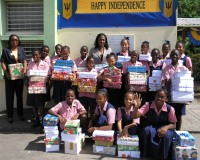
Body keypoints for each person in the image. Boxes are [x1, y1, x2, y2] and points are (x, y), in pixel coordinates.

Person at [132, 90, 177, 160]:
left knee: (167, 135)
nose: (159, 98)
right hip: (151, 125)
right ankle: (147, 154)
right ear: (154, 96)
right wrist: (136, 107)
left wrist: (166, 127)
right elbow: (135, 116)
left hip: (165, 126)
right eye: (157, 96)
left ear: (166, 99)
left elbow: (173, 124)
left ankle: (164, 156)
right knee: (146, 131)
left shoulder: (170, 109)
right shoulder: (148, 105)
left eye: (162, 97)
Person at [1, 34, 27, 123]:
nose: (14, 41)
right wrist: (6, 72)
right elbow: (3, 62)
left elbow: (24, 61)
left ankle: (20, 114)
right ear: (9, 41)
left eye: (16, 39)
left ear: (18, 41)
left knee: (19, 96)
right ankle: (10, 116)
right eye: (12, 40)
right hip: (9, 78)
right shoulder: (5, 50)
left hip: (19, 77)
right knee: (9, 96)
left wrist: (24, 70)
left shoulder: (21, 49)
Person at [162, 49, 188, 131]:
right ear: (170, 56)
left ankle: (178, 132)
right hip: (170, 96)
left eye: (176, 55)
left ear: (179, 56)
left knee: (179, 116)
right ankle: (169, 133)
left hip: (180, 97)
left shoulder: (183, 69)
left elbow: (186, 81)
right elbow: (166, 82)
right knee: (169, 115)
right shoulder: (166, 68)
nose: (174, 56)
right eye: (172, 55)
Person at [26, 49, 50, 128]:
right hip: (32, 87)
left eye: (36, 55)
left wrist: (42, 79)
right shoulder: (31, 63)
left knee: (40, 105)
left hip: (41, 87)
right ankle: (37, 119)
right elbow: (28, 74)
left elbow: (47, 76)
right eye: (33, 55)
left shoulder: (45, 64)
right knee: (33, 105)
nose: (34, 56)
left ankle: (42, 120)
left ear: (40, 55)